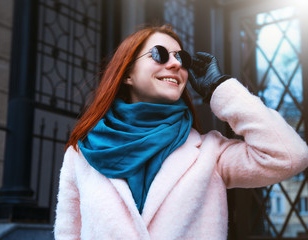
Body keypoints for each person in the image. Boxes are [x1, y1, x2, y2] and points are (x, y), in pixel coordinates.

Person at [54, 25, 308, 240]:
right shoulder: (80, 155)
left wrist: (219, 88)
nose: (175, 63)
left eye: (182, 58)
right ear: (128, 73)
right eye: (160, 54)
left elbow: (289, 156)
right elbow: (67, 234)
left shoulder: (210, 154)